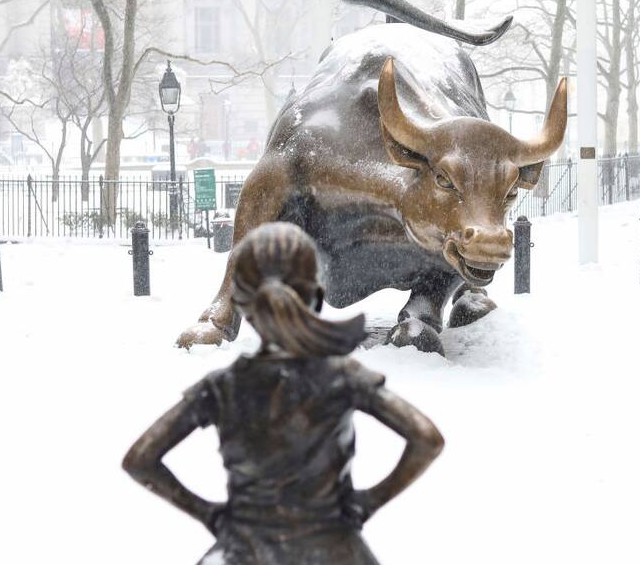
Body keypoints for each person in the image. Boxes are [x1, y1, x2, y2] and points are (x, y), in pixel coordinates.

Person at [123, 222, 444, 565]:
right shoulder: (343, 377)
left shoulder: (221, 387)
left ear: (242, 306)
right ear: (316, 297)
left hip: (243, 549)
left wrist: (210, 515)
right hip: (333, 549)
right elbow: (426, 438)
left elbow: (141, 460)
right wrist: (366, 503)